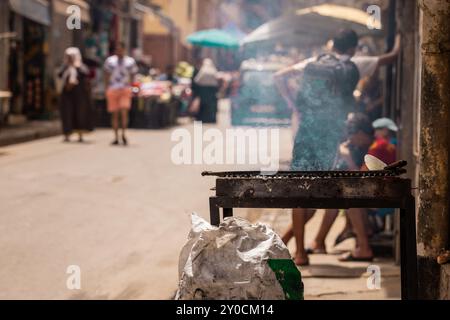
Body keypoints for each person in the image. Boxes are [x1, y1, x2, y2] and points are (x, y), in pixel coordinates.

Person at [275, 29, 402, 266]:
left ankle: (300, 253)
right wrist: (400, 35)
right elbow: (392, 57)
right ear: (353, 47)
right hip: (331, 135)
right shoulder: (357, 62)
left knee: (299, 192)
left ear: (333, 44)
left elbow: (279, 76)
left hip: (305, 131)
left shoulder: (314, 62)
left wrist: (294, 106)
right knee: (321, 191)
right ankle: (306, 242)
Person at [104, 42, 138, 146]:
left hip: (125, 89)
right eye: (117, 49)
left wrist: (133, 88)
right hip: (113, 89)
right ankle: (116, 137)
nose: (119, 51)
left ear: (124, 50)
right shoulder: (110, 61)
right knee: (115, 114)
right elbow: (106, 75)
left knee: (124, 113)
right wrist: (107, 88)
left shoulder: (130, 62)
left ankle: (123, 134)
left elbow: (133, 75)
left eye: (120, 49)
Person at [57, 47, 94, 143]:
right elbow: (59, 75)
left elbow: (86, 74)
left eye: (72, 56)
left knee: (80, 115)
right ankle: (67, 134)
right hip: (67, 96)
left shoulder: (81, 67)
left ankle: (80, 134)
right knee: (67, 114)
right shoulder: (65, 67)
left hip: (80, 96)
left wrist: (76, 67)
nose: (70, 58)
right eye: (68, 57)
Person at [192, 58, 220, 124]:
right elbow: (217, 80)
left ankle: (203, 119)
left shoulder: (203, 70)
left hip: (204, 90)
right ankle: (211, 119)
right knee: (211, 105)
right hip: (212, 90)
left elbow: (197, 80)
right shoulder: (213, 70)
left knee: (204, 105)